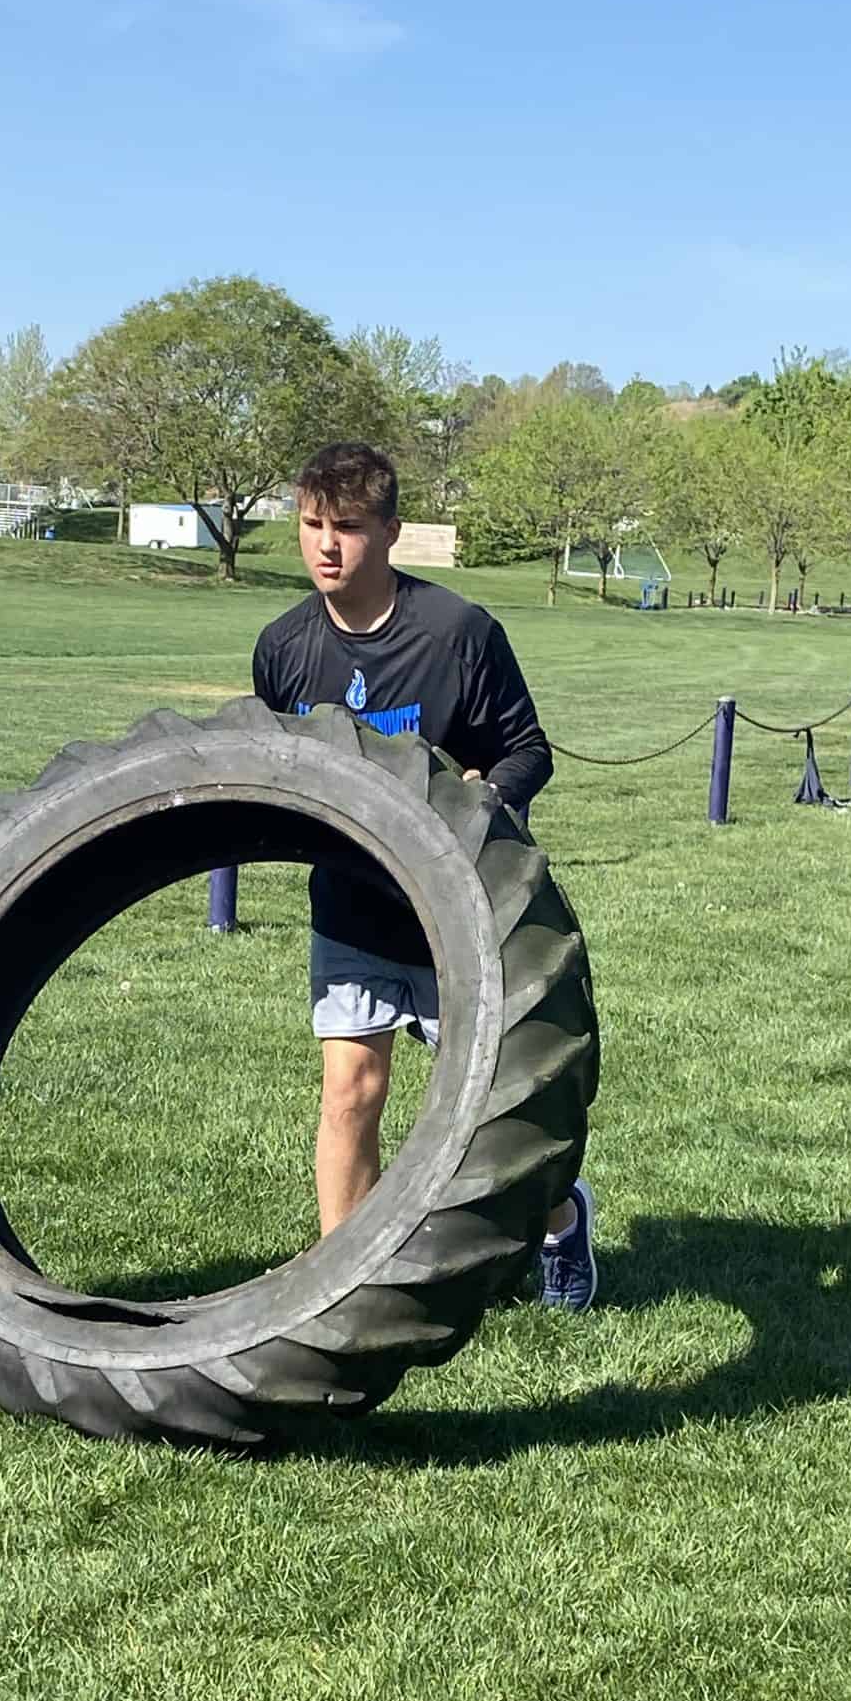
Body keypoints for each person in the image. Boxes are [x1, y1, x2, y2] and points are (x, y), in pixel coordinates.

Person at [252, 441, 597, 1309]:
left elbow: (529, 751)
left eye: (347, 527)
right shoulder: (284, 648)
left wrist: (487, 795)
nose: (326, 546)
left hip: (464, 916)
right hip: (351, 910)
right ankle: (347, 1287)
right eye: (312, 525)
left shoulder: (458, 634)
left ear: (391, 531)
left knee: (497, 1114)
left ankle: (561, 1222)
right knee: (349, 1093)